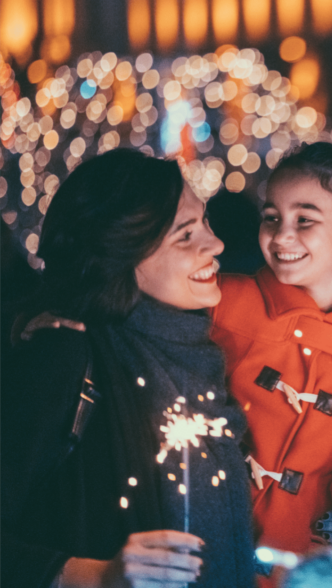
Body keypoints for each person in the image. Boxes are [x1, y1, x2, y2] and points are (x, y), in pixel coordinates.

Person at [0, 149, 255, 588]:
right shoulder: (65, 357)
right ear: (123, 257)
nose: (215, 245)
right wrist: (94, 575)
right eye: (184, 236)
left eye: (205, 223)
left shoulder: (198, 353)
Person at [209, 138, 332, 567]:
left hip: (293, 564)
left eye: (305, 220)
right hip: (206, 549)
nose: (282, 235)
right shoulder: (225, 301)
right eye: (271, 217)